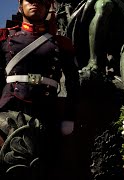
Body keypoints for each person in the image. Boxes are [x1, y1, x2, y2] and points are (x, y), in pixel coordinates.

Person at [0, 0, 79, 179]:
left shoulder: (61, 44)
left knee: (44, 167)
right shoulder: (5, 38)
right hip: (10, 109)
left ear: (47, 7)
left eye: (41, 1)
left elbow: (74, 84)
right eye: (30, 0)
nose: (35, 3)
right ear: (20, 6)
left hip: (47, 112)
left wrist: (69, 117)